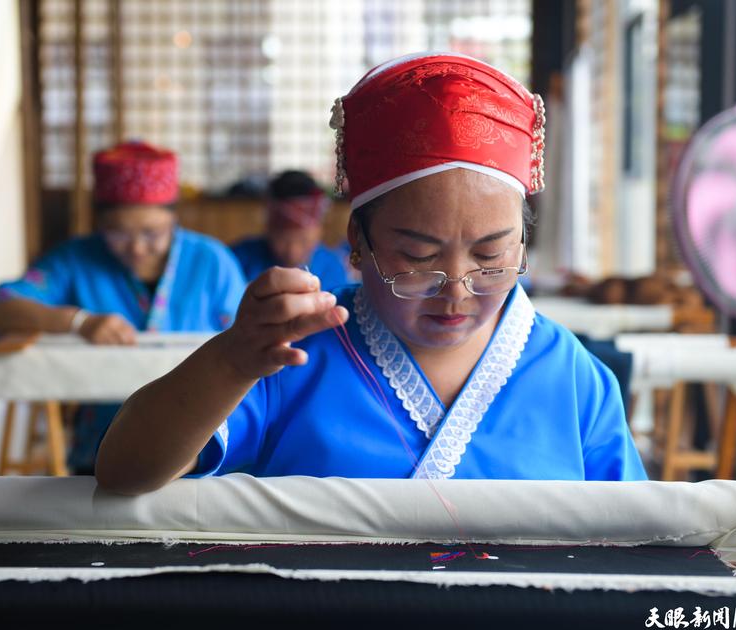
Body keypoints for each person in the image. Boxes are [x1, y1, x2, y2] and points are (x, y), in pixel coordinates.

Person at [96, 53, 647, 495]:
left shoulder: (572, 377)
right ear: (357, 244)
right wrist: (232, 360)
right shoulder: (292, 357)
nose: (456, 290)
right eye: (418, 256)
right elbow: (122, 473)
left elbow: (632, 541)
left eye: (490, 255)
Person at [0, 140, 246, 474]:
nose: (136, 248)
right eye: (118, 233)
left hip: (201, 448)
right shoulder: (76, 259)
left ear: (173, 220)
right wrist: (78, 322)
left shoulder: (211, 262)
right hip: (102, 452)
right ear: (100, 224)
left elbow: (247, 340)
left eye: (152, 233)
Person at [230, 170, 348, 289]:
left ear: (319, 230)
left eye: (303, 241)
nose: (293, 252)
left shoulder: (332, 268)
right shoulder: (239, 260)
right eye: (283, 240)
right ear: (268, 229)